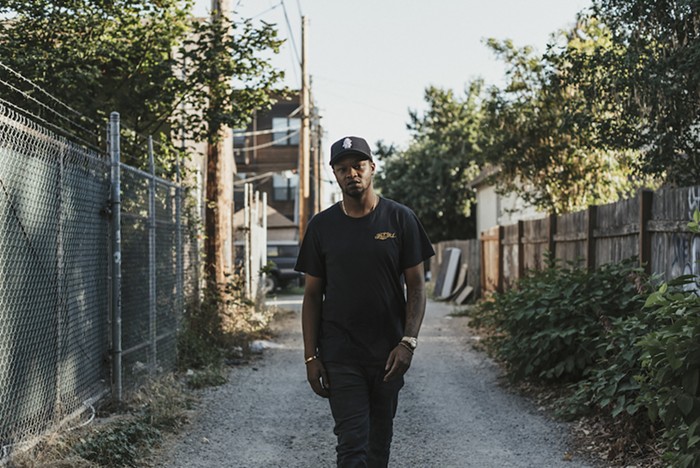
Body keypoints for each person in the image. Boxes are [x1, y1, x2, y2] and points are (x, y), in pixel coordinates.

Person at [295, 135, 435, 467]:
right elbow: (312, 296)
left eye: (358, 166)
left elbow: (416, 287)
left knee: (378, 444)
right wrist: (311, 356)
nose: (351, 174)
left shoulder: (400, 219)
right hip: (341, 354)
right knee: (352, 445)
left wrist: (408, 342)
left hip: (388, 354)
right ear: (335, 174)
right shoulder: (321, 227)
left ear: (371, 167)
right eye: (342, 169)